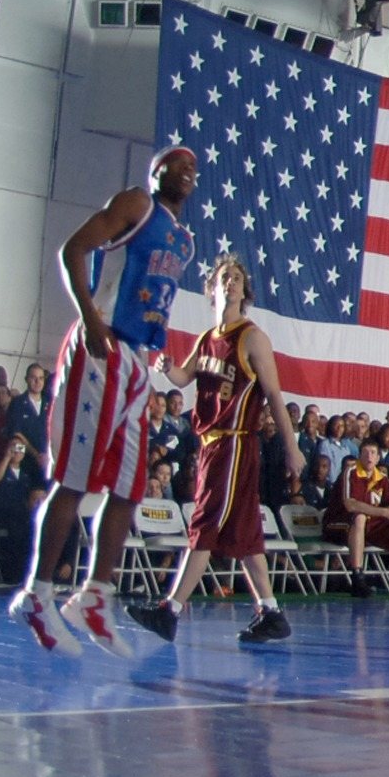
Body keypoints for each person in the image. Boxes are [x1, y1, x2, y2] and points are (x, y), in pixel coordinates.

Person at [11, 146, 198, 658]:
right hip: (103, 344)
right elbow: (73, 249)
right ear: (156, 172)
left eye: (193, 169)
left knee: (129, 484)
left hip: (137, 360)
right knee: (75, 475)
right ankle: (39, 591)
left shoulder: (185, 239)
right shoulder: (137, 205)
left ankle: (95, 595)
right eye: (178, 165)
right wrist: (92, 320)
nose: (187, 172)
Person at [127, 255, 304, 645]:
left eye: (237, 278)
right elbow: (185, 375)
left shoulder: (252, 337)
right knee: (243, 533)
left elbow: (274, 395)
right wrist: (167, 368)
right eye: (225, 277)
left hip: (235, 442)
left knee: (204, 525)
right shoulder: (208, 339)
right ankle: (271, 612)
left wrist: (291, 447)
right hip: (210, 445)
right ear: (212, 288)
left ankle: (169, 610)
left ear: (246, 289)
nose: (231, 283)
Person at [325, 441, 389, 599]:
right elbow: (350, 504)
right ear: (359, 455)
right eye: (365, 452)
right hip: (338, 523)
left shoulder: (381, 477)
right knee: (359, 517)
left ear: (379, 458)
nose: (369, 456)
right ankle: (357, 577)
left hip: (368, 525)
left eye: (373, 452)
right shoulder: (351, 472)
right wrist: (384, 512)